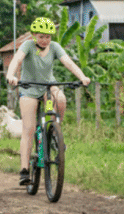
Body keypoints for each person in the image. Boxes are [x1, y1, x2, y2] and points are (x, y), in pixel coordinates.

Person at [6, 17, 91, 186]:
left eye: (48, 37)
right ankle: (24, 170)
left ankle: (54, 131)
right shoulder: (28, 46)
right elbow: (16, 60)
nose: (45, 40)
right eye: (41, 36)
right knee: (29, 129)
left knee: (60, 99)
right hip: (29, 88)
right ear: (34, 36)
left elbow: (68, 63)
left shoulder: (55, 48)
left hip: (48, 85)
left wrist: (82, 77)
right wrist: (11, 75)